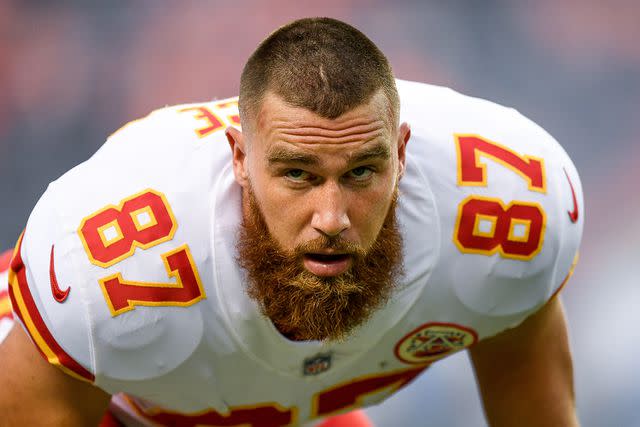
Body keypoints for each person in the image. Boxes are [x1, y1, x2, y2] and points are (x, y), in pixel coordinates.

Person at [0, 17, 583, 427]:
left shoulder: (511, 209)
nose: (331, 220)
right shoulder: (119, 268)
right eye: (298, 175)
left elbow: (528, 392)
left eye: (361, 173)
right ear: (239, 160)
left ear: (401, 154)